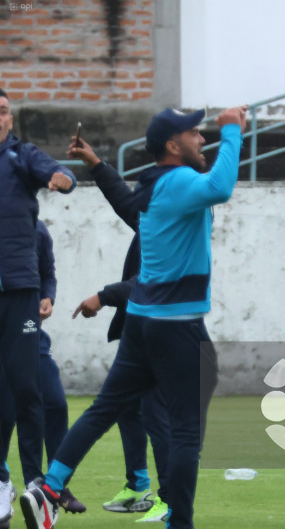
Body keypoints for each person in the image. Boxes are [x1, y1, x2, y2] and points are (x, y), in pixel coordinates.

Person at [20, 105, 247, 529]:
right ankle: (178, 522)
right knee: (184, 432)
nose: (202, 140)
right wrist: (232, 131)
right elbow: (220, 187)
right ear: (171, 145)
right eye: (195, 133)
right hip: (176, 325)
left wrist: (97, 166)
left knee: (104, 409)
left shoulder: (156, 183)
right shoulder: (180, 180)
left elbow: (128, 205)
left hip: (141, 320)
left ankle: (49, 489)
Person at [67, 137, 171, 522]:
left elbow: (153, 281)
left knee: (153, 413)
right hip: (140, 327)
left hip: (162, 330)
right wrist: (95, 162)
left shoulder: (176, 223)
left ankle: (169, 497)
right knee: (129, 408)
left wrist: (104, 295)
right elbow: (125, 203)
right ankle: (139, 485)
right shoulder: (155, 217)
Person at [0, 87, 76, 527]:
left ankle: (36, 486)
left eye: (5, 112)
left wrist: (61, 178)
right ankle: (1, 483)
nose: (0, 117)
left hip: (20, 295)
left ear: (11, 120)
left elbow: (59, 172)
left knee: (29, 389)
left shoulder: (22, 157)